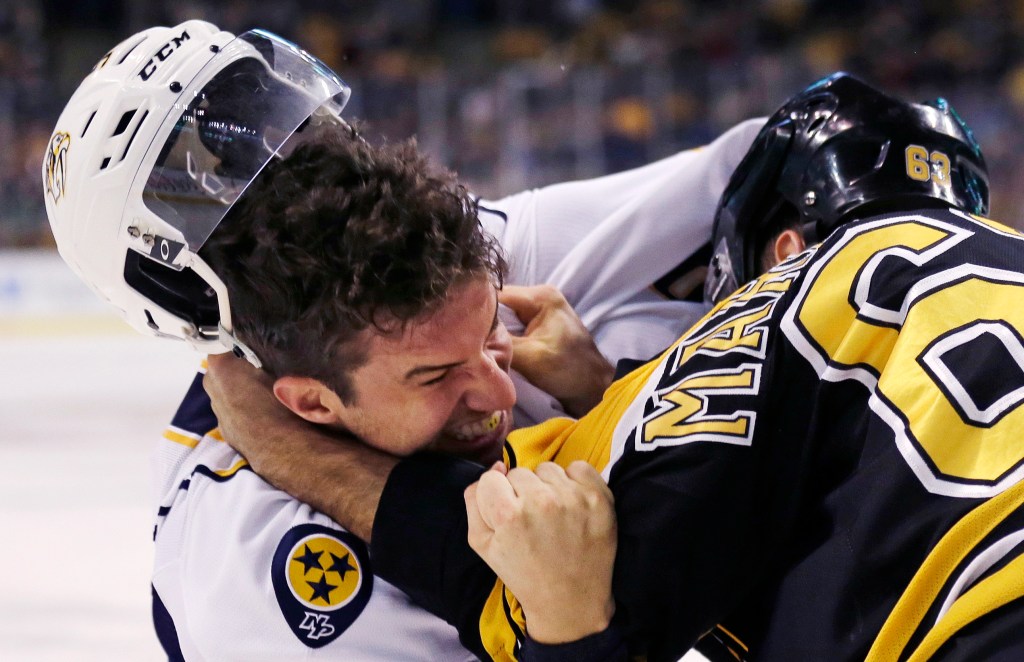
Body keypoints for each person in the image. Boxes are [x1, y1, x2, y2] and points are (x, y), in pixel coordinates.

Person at [205, 73, 1016, 661]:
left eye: (487, 334)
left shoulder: (803, 294)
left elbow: (542, 572)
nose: (496, 389)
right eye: (431, 373)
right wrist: (609, 391)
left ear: (784, 248)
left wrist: (276, 438)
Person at [42, 20, 765, 660]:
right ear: (313, 402)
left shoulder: (434, 266)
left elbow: (791, 154)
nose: (500, 389)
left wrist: (609, 390)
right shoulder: (258, 586)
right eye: (433, 375)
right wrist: (574, 629)